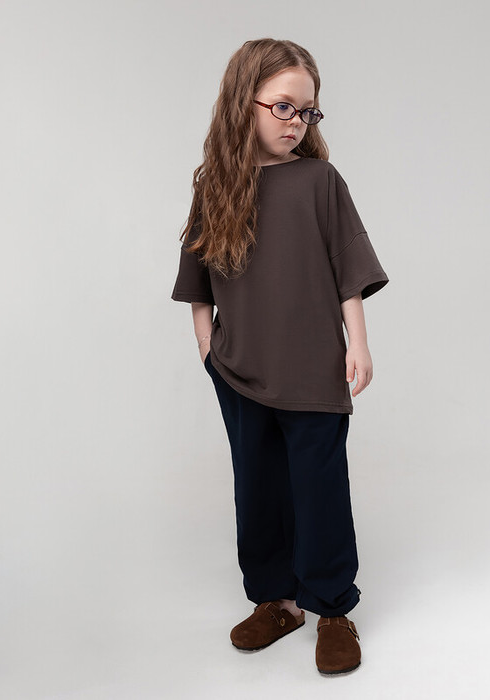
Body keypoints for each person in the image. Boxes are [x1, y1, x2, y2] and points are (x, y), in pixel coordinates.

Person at [170, 38, 389, 675]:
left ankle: (332, 608)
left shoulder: (320, 181)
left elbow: (347, 270)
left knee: (320, 489)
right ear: (245, 102)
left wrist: (358, 341)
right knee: (258, 485)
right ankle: (278, 601)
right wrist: (206, 342)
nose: (297, 122)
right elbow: (197, 277)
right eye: (284, 107)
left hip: (314, 368)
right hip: (239, 369)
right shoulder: (215, 187)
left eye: (308, 112)